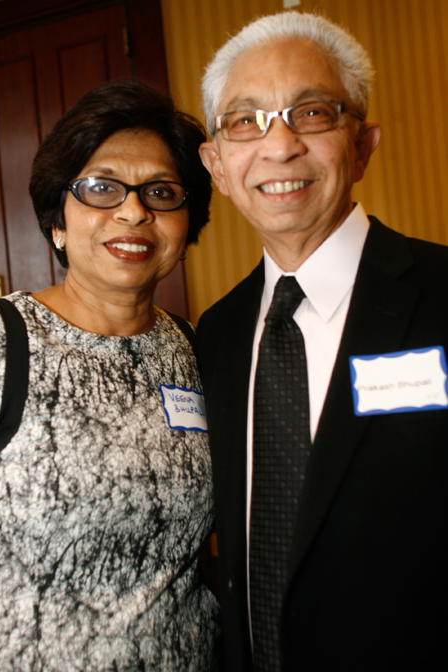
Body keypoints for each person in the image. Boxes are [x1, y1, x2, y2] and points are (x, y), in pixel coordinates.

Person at [196, 10, 448, 672]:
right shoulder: (214, 336)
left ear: (363, 145)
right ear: (217, 165)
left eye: (310, 113)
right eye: (245, 121)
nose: (279, 148)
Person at [0, 80, 221, 671]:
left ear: (185, 224)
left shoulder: (198, 350)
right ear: (58, 223)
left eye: (161, 191)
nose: (133, 211)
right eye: (101, 188)